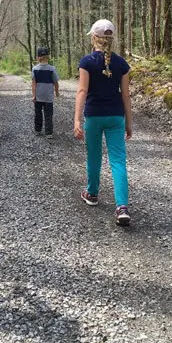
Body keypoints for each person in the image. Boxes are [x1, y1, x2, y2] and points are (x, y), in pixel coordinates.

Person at [73, 19, 133, 227]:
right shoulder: (122, 64)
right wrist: (129, 123)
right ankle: (122, 207)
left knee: (94, 156)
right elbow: (126, 96)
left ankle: (92, 193)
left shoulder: (87, 62)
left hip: (94, 116)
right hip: (116, 116)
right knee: (118, 161)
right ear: (111, 39)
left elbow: (82, 91)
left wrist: (77, 119)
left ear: (94, 38)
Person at [32, 47, 59, 138]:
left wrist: (33, 95)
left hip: (38, 96)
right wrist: (57, 92)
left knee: (38, 114)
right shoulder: (52, 69)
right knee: (48, 114)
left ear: (38, 57)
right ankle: (49, 133)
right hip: (48, 97)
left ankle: (38, 130)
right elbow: (55, 82)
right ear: (48, 57)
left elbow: (33, 83)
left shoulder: (35, 69)